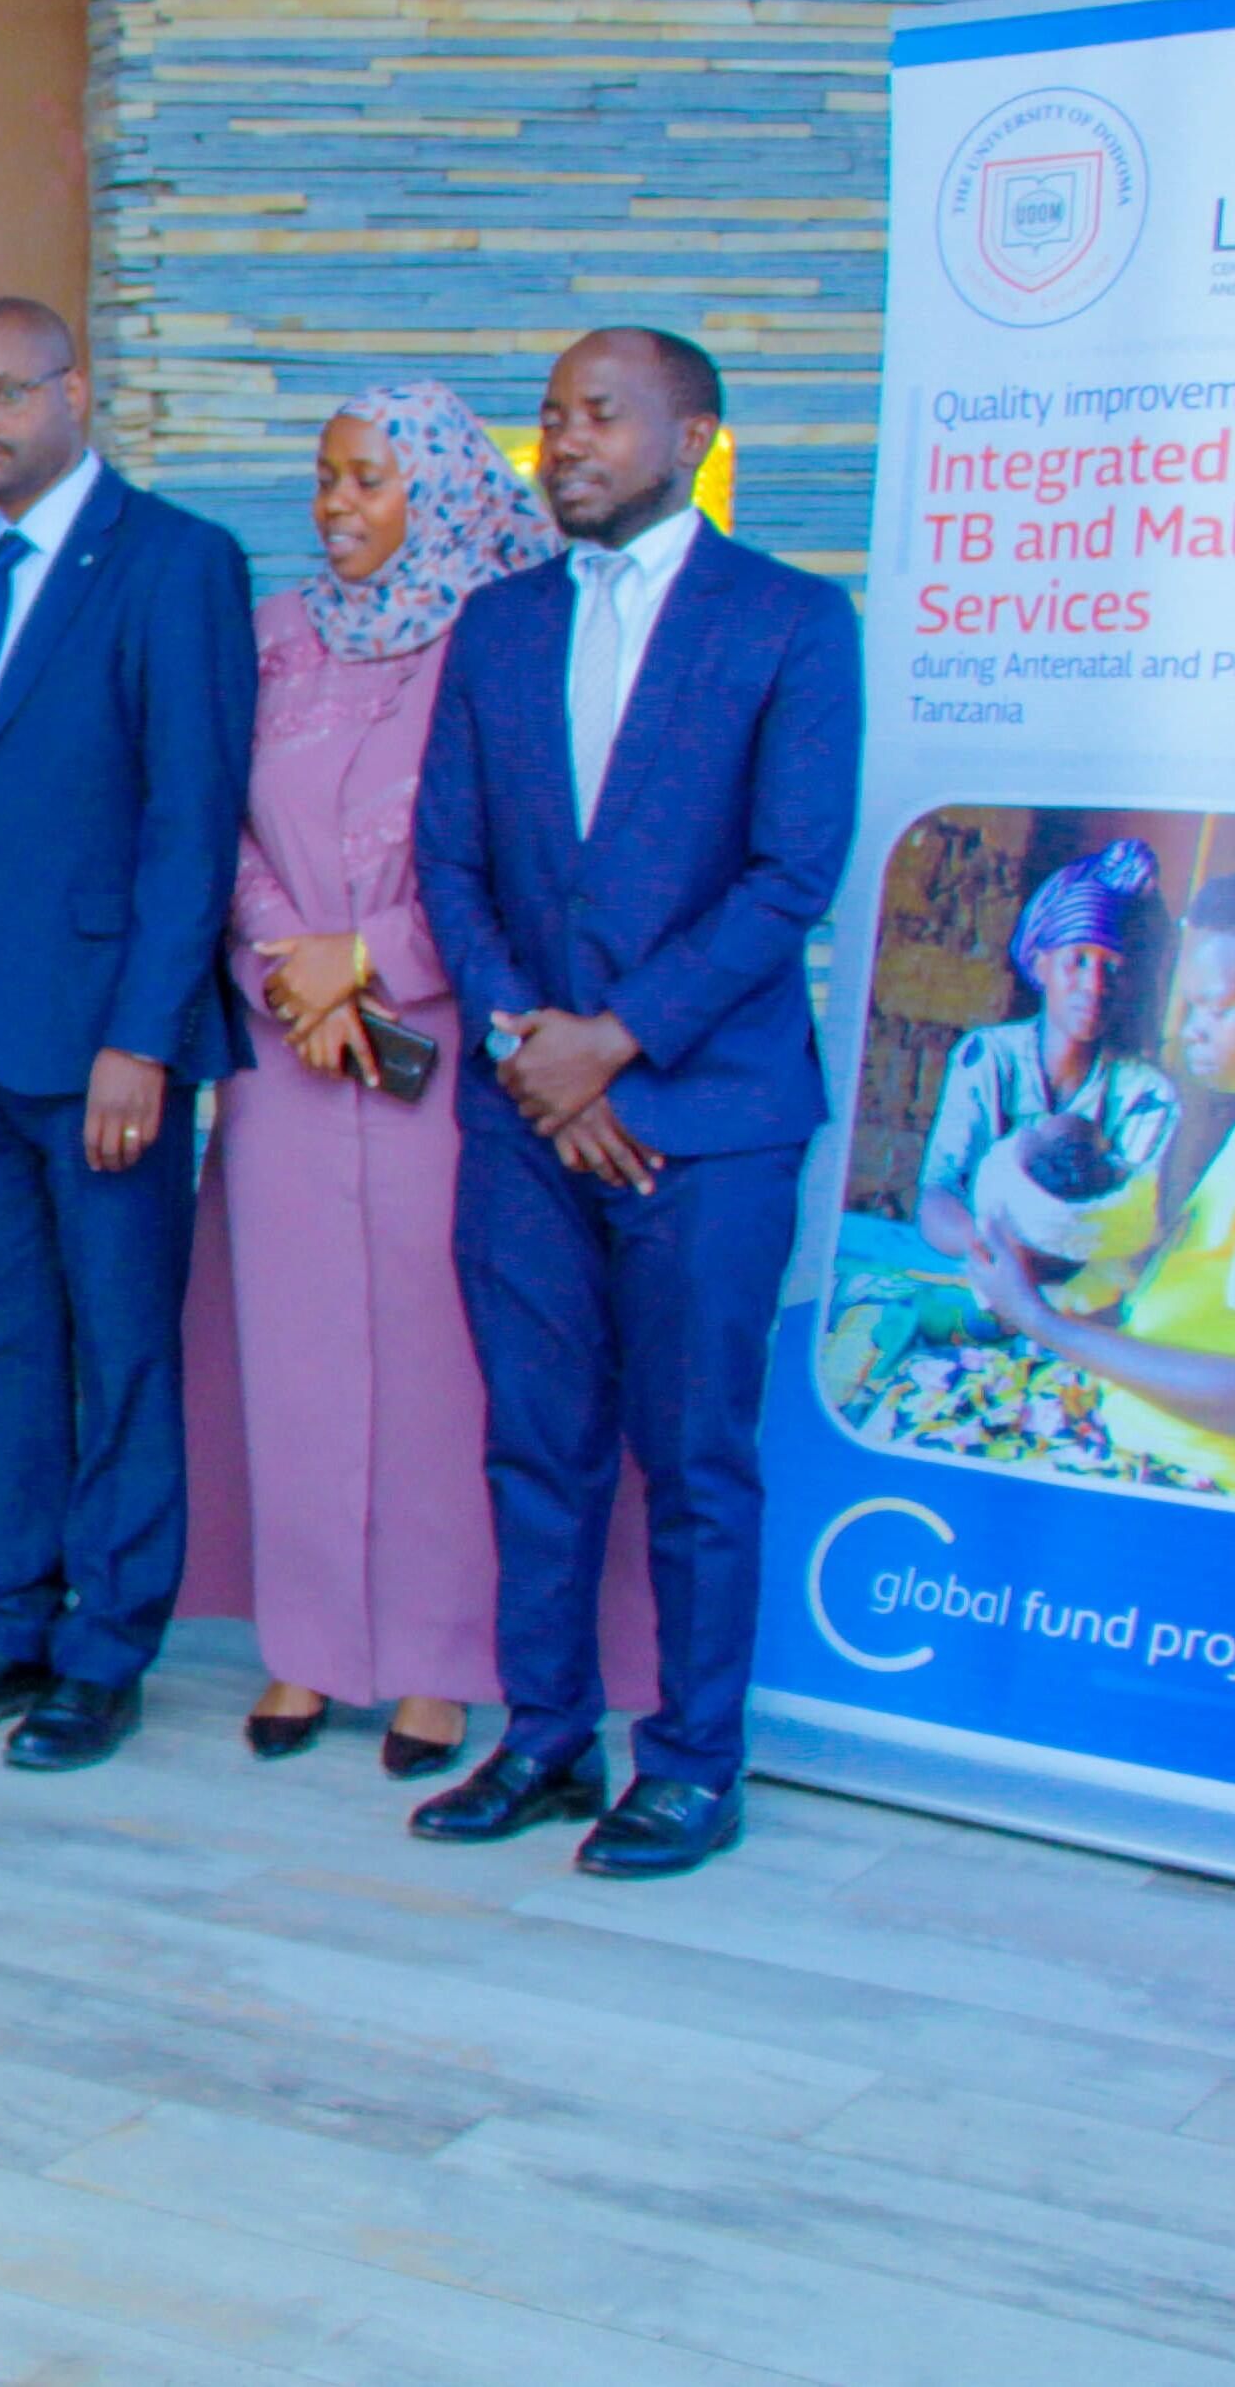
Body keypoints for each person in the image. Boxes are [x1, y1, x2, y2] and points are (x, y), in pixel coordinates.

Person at [411, 324, 858, 1879]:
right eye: (549, 418)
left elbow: (791, 871)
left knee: (694, 1451)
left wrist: (616, 1042)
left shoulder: (794, 620)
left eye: (600, 415)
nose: (566, 443)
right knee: (536, 1444)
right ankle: (543, 1740)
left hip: (711, 1117)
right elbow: (448, 862)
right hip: (521, 1111)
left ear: (693, 434)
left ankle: (690, 1761)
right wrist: (530, 1041)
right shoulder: (497, 625)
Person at [173, 377, 619, 1783]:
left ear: (434, 487)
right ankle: (306, 1644)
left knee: (439, 1369)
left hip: (437, 1059)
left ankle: (436, 1663)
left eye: (369, 479)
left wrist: (364, 955)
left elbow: (522, 856)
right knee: (291, 1355)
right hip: (287, 1060)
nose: (337, 508)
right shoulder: (275, 639)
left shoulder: (506, 635)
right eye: (326, 478)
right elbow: (216, 820)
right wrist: (285, 962)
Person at [0, 297, 254, 1774]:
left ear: (74, 392)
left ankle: (108, 1645)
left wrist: (144, 1038)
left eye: (4, 396)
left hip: (102, 1037)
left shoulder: (175, 563)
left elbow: (190, 820)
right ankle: (11, 1618)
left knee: (121, 1344)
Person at [968, 860, 1235, 1513]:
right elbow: (1198, 1328)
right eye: (1186, 1005)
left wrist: (1040, 1321)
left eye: (1216, 1005)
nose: (1189, 1027)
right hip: (1173, 1453)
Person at [915, 838, 1178, 1270]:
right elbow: (938, 1192)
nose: (1094, 985)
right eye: (1077, 961)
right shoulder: (988, 1058)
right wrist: (983, 1247)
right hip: (983, 1269)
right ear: (1041, 966)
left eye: (1112, 967)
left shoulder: (1146, 1095)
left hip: (1083, 1293)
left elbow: (1124, 1227)